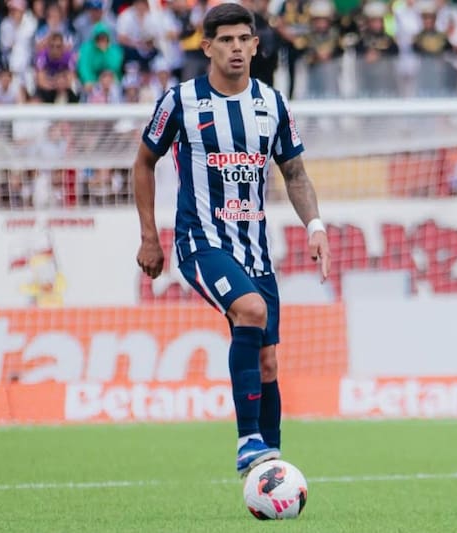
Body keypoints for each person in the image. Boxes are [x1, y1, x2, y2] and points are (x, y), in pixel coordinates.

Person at [133, 2, 330, 477]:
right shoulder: (180, 101)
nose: (237, 47)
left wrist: (316, 226)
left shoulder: (272, 104)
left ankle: (272, 468)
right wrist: (149, 237)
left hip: (254, 250)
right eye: (226, 40)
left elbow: (296, 172)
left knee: (267, 363)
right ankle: (247, 443)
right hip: (201, 242)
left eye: (244, 38)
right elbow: (143, 162)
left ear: (256, 45)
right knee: (251, 311)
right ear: (208, 48)